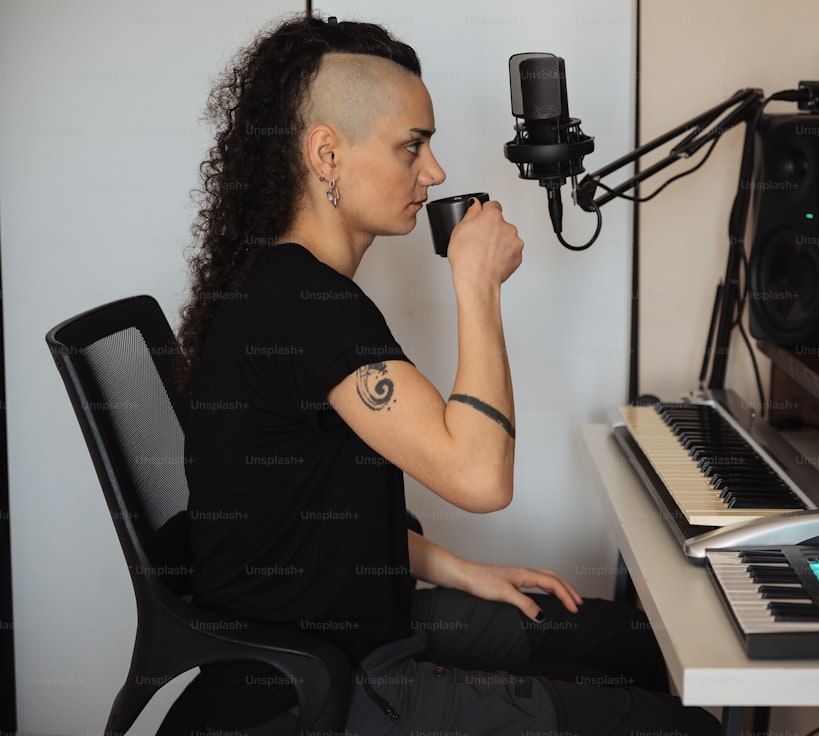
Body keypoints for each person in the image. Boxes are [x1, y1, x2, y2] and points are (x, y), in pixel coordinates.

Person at [177, 13, 721, 735]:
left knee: (640, 647)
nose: (432, 173)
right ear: (326, 154)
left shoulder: (289, 288)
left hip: (367, 620)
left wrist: (460, 570)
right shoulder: (307, 306)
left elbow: (298, 522)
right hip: (326, 682)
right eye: (412, 147)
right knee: (680, 726)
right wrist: (477, 285)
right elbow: (481, 478)